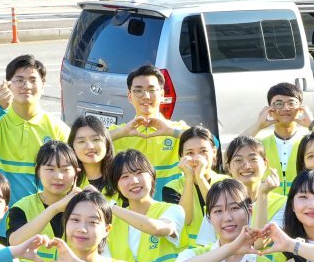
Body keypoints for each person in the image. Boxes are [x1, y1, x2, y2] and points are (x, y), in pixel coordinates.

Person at [0, 55, 70, 204]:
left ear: (43, 85)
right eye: (19, 80)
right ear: (8, 85)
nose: (26, 86)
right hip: (1, 216)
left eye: (33, 80)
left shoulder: (58, 128)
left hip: (43, 216)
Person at [110, 64, 184, 202]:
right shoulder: (119, 132)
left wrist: (170, 131)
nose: (146, 96)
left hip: (170, 211)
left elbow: (210, 142)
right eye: (138, 91)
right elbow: (85, 144)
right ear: (130, 96)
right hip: (130, 213)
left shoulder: (177, 129)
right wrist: (122, 132)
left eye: (151, 90)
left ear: (162, 95)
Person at [248, 82, 314, 193]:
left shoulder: (309, 143)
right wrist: (257, 126)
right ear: (270, 110)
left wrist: (313, 124)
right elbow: (229, 156)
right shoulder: (260, 145)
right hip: (268, 206)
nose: (285, 108)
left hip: (303, 204)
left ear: (300, 109)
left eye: (291, 103)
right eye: (278, 104)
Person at [177, 125, 226, 237]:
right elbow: (185, 221)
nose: (196, 158)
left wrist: (200, 177)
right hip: (191, 253)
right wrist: (189, 179)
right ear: (181, 156)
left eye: (203, 151)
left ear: (214, 152)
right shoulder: (171, 187)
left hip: (223, 251)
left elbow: (223, 213)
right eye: (189, 153)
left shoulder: (227, 182)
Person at [67, 114, 116, 197]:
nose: (90, 146)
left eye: (96, 139)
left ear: (106, 142)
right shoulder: (67, 181)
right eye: (81, 141)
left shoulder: (121, 177)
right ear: (72, 147)